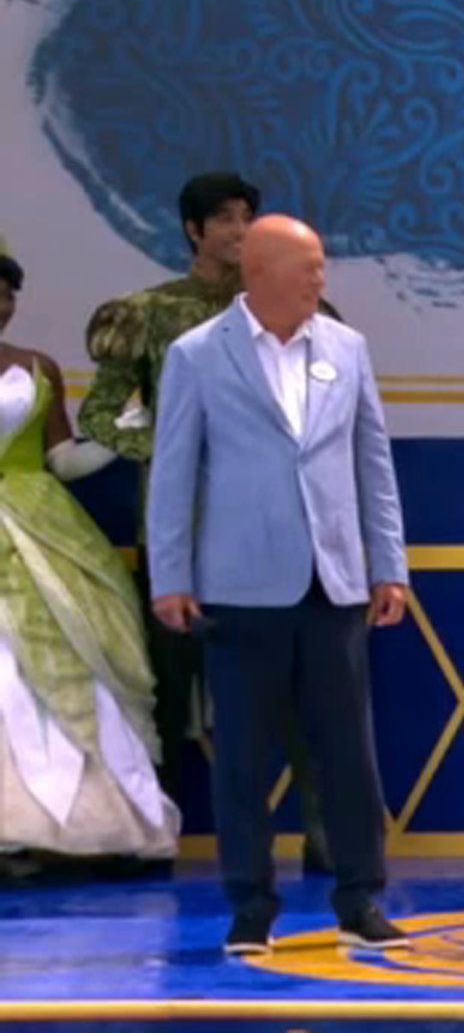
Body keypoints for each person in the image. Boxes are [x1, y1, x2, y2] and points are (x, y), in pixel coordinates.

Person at [146, 215, 409, 955]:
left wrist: (388, 564)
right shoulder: (198, 354)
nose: (321, 277)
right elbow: (173, 472)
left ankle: (359, 899)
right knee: (242, 759)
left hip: (334, 583)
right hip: (238, 588)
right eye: (309, 266)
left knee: (349, 753)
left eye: (322, 264)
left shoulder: (347, 348)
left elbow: (373, 463)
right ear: (259, 271)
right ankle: (250, 908)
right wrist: (171, 575)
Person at [79, 172, 335, 872]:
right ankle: (159, 835)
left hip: (279, 530)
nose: (239, 229)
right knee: (169, 692)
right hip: (182, 533)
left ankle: (325, 831)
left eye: (248, 216)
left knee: (302, 686)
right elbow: (98, 414)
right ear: (193, 230)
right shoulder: (149, 314)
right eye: (224, 218)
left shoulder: (300, 311)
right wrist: (174, 449)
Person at [0, 253, 180, 874]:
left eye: (6, 295)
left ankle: (79, 830)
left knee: (70, 662)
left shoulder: (38, 368)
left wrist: (125, 428)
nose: (0, 306)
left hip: (42, 529)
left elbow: (62, 462)